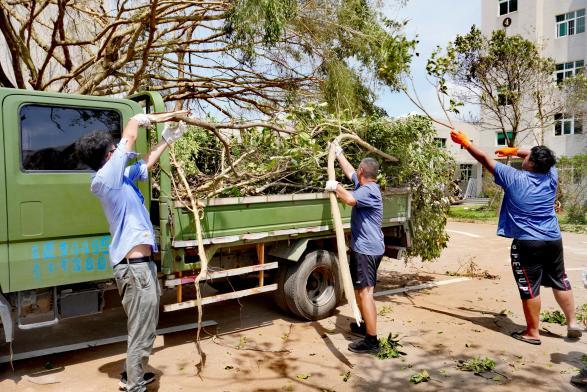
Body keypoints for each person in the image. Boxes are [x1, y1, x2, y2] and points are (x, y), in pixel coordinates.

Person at [76, 111, 187, 391]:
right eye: (114, 149)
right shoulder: (105, 179)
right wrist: (153, 117)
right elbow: (131, 131)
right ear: (107, 156)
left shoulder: (120, 178)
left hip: (141, 266)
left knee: (143, 325)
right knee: (142, 329)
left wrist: (165, 140)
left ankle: (131, 374)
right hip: (134, 268)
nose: (120, 150)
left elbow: (146, 164)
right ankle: (134, 385)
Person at [449, 129, 582, 345]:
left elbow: (483, 158)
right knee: (560, 279)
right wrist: (514, 150)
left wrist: (466, 142)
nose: (525, 156)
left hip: (528, 242)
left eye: (526, 157)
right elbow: (537, 154)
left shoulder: (513, 177)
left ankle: (532, 333)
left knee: (529, 286)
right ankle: (572, 322)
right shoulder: (551, 174)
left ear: (530, 164)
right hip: (553, 238)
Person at [325, 143, 385, 354]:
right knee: (362, 291)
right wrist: (338, 152)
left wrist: (335, 186)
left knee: (365, 293)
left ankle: (372, 340)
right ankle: (363, 326)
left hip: (367, 249)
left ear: (363, 172)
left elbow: (349, 199)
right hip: (368, 247)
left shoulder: (368, 190)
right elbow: (350, 171)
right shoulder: (364, 184)